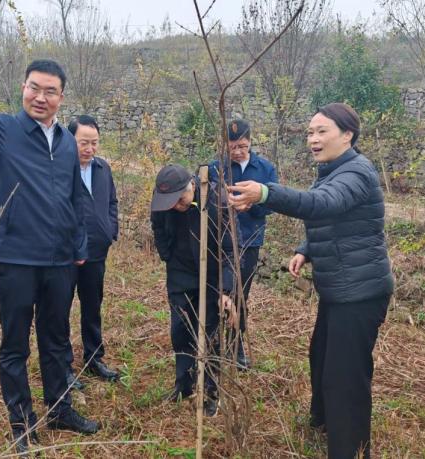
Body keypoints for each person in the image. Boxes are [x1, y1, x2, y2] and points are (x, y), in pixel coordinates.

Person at [0, 59, 99, 455]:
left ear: (61, 98)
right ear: (23, 87)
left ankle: (60, 409)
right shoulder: (3, 130)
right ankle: (21, 423)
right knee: (15, 345)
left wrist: (79, 247)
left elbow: (76, 199)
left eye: (50, 91)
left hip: (60, 262)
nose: (40, 97)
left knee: (57, 339)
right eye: (34, 88)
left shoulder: (67, 141)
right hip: (15, 260)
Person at [228, 103, 394, 459]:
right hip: (340, 285)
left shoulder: (357, 172)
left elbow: (321, 204)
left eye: (322, 131)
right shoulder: (333, 169)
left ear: (347, 134)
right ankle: (324, 422)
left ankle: (350, 448)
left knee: (345, 374)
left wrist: (267, 193)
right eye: (310, 132)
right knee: (320, 356)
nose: (313, 139)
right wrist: (306, 249)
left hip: (361, 292)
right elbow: (336, 220)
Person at [150, 164, 236, 417]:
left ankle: (210, 391)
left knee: (209, 334)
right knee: (180, 329)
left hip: (211, 274)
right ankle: (184, 385)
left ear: (191, 185)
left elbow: (231, 250)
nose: (176, 204)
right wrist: (167, 255)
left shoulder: (216, 200)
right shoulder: (162, 199)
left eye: (180, 198)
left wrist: (225, 289)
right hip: (179, 272)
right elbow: (157, 226)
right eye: (170, 201)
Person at [209, 119, 277, 369]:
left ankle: (236, 347)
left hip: (249, 240)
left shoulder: (265, 169)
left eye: (243, 146)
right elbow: (204, 199)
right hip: (220, 241)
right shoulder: (216, 168)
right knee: (218, 294)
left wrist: (253, 204)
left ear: (251, 142)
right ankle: (214, 345)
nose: (238, 151)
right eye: (233, 147)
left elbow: (273, 201)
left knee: (240, 295)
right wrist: (221, 202)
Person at [64, 115, 119, 389]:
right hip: (65, 253)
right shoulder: (61, 167)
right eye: (83, 142)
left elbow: (111, 201)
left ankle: (94, 358)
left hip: (96, 250)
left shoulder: (102, 168)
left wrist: (111, 230)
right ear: (70, 140)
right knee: (59, 309)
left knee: (92, 305)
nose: (89, 148)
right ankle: (63, 367)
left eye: (94, 143)